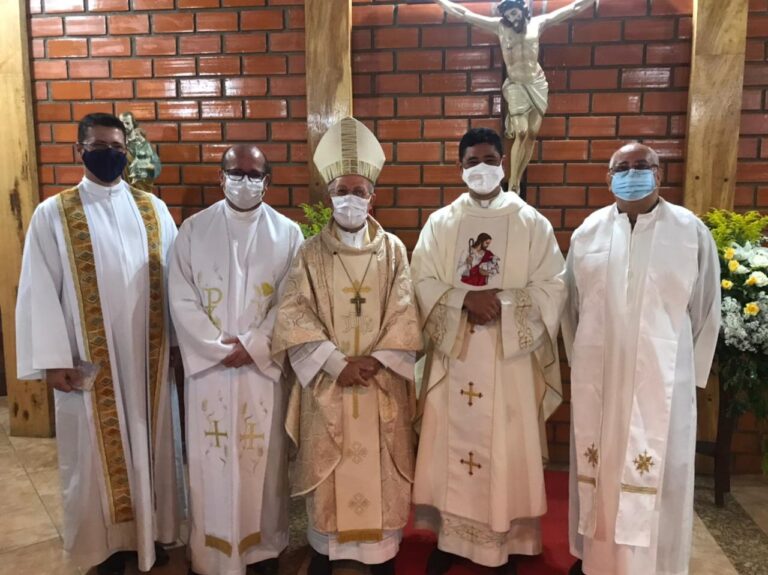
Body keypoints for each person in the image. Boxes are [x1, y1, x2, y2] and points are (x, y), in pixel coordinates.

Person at [15, 113, 181, 574]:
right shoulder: (54, 213)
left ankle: (149, 536)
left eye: (116, 147)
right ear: (79, 151)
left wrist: (179, 344)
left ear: (127, 152)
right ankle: (101, 547)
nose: (109, 155)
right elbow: (38, 290)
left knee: (152, 444)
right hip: (87, 362)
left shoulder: (153, 209)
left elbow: (178, 279)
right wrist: (53, 360)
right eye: (98, 146)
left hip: (147, 358)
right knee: (90, 456)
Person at [411, 127, 567, 574]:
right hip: (454, 353)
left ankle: (505, 540)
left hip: (507, 358)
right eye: (471, 161)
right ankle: (449, 538)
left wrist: (501, 304)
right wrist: (464, 300)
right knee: (449, 442)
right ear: (460, 167)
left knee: (505, 444)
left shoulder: (531, 222)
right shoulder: (441, 223)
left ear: (503, 163)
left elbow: (553, 285)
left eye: (489, 159)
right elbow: (419, 280)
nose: (481, 168)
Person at [272, 116, 422, 575]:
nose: (350, 199)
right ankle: (327, 552)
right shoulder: (309, 253)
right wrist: (338, 364)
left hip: (380, 382)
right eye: (342, 190)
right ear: (329, 196)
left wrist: (375, 361)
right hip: (329, 382)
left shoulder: (393, 250)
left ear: (372, 197)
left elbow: (405, 313)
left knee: (381, 469)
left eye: (359, 191)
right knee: (332, 478)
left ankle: (381, 555)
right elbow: (294, 315)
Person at [563, 143, 721, 575]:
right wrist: (584, 364)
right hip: (601, 380)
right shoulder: (588, 233)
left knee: (660, 475)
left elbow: (706, 308)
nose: (631, 174)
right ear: (608, 177)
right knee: (602, 467)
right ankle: (598, 560)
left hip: (662, 383)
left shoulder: (689, 231)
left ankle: (656, 566)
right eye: (622, 167)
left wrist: (687, 374)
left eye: (641, 166)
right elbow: (570, 307)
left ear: (658, 173)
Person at [169, 144, 303, 575]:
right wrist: (216, 347)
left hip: (260, 372)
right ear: (220, 177)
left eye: (254, 174)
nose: (245, 181)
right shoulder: (193, 230)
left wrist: (255, 344)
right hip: (209, 372)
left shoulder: (288, 234)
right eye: (236, 172)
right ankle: (212, 554)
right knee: (211, 461)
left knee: (262, 461)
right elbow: (180, 296)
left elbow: (292, 300)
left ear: (268, 180)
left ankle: (262, 549)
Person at [433, 0, 596, 191]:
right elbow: (465, 14)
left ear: (522, 10)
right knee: (522, 132)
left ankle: (517, 177)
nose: (512, 18)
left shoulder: (538, 23)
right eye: (508, 15)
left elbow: (573, 8)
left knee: (532, 134)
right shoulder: (499, 27)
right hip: (516, 84)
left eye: (515, 13)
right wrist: (440, 2)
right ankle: (513, 183)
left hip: (536, 83)